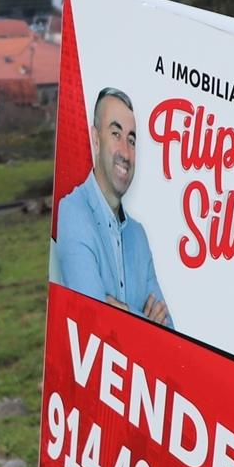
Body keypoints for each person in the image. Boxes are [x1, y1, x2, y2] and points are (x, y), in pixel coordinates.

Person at [54, 87, 172, 327]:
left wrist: (122, 310)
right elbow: (92, 320)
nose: (126, 153)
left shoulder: (138, 236)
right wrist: (144, 320)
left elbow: (168, 333)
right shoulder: (72, 212)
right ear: (96, 140)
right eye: (115, 134)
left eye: (131, 140)